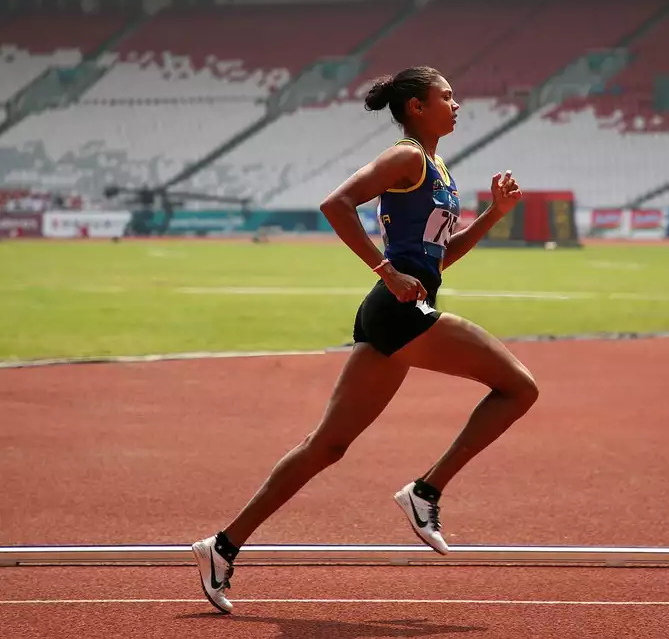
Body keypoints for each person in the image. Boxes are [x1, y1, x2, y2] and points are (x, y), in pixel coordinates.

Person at [191, 66, 539, 614]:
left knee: (326, 446)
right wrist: (386, 271)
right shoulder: (407, 158)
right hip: (398, 308)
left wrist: (495, 214)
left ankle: (222, 546)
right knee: (519, 389)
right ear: (417, 107)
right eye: (446, 96)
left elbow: (439, 258)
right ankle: (425, 492)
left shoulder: (438, 166)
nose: (457, 103)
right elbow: (336, 203)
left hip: (395, 310)